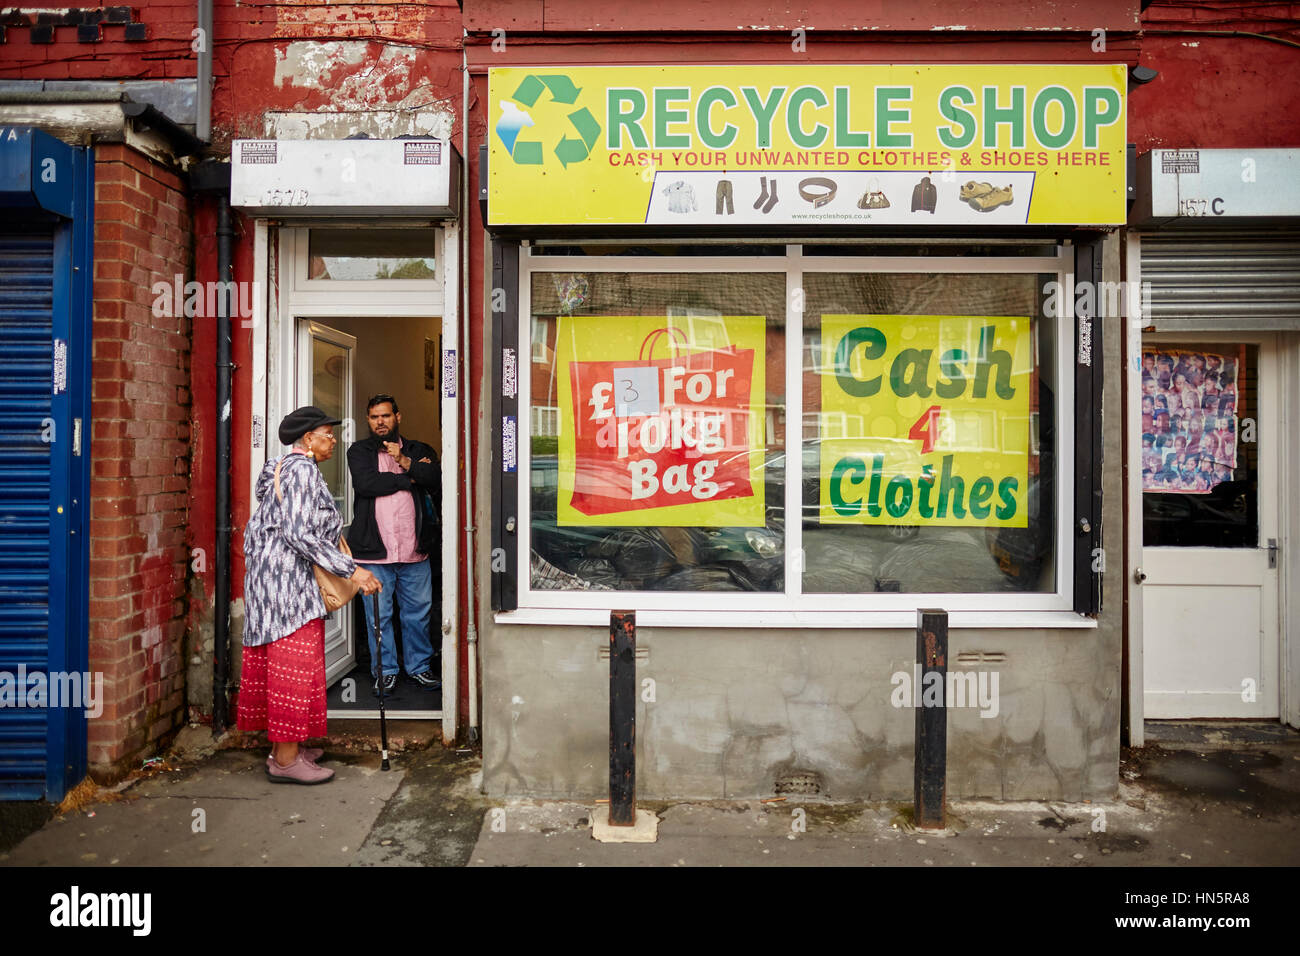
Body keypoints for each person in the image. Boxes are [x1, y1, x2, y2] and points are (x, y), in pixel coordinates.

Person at [239, 406, 382, 784]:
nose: (333, 438)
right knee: (293, 669)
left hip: (270, 582)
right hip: (287, 588)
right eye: (326, 433)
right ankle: (286, 761)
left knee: (287, 666)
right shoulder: (302, 471)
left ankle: (284, 749)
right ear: (307, 439)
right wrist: (353, 569)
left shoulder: (283, 466)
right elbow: (299, 535)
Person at [347, 394, 441, 694]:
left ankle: (420, 667)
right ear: (368, 420)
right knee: (378, 616)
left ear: (397, 417)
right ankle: (385, 670)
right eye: (374, 417)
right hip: (374, 552)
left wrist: (404, 461)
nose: (380, 422)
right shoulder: (359, 451)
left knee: (418, 613)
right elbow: (366, 484)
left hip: (415, 549)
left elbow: (433, 478)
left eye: (385, 416)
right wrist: (407, 476)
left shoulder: (419, 449)